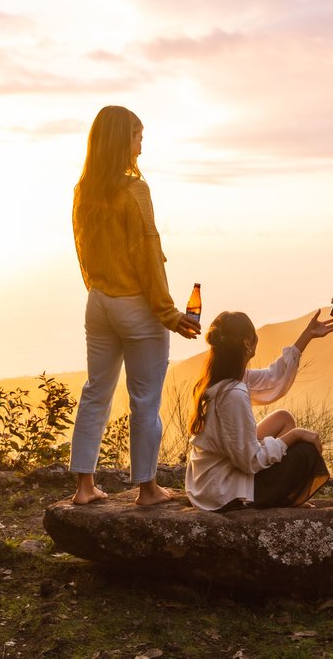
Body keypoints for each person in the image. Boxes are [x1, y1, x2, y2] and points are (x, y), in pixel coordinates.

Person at [68, 106, 201, 506]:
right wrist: (169, 313)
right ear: (121, 140)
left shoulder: (84, 190)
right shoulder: (134, 191)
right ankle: (147, 489)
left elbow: (82, 248)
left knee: (95, 392)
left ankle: (84, 487)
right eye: (137, 136)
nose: (142, 145)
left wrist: (97, 287)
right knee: (145, 400)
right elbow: (147, 252)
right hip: (136, 308)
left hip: (99, 302)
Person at [185, 310, 333, 511]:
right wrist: (296, 435)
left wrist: (307, 336)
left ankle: (286, 494)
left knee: (283, 418)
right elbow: (250, 461)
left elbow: (273, 378)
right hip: (223, 492)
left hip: (209, 482)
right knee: (305, 452)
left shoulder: (223, 379)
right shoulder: (233, 393)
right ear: (247, 342)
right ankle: (286, 498)